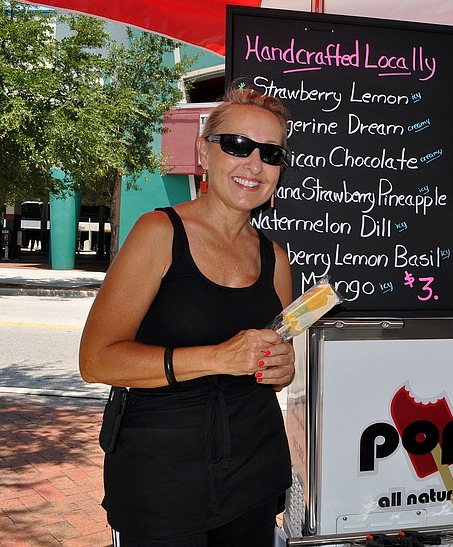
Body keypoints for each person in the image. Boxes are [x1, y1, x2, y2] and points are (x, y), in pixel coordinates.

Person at [79, 86, 296, 546]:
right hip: (161, 481)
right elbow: (97, 360)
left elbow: (272, 368)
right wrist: (218, 357)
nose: (254, 165)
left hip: (254, 473)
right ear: (203, 150)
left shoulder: (276, 260)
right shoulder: (159, 232)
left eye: (271, 153)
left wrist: (280, 369)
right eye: (238, 145)